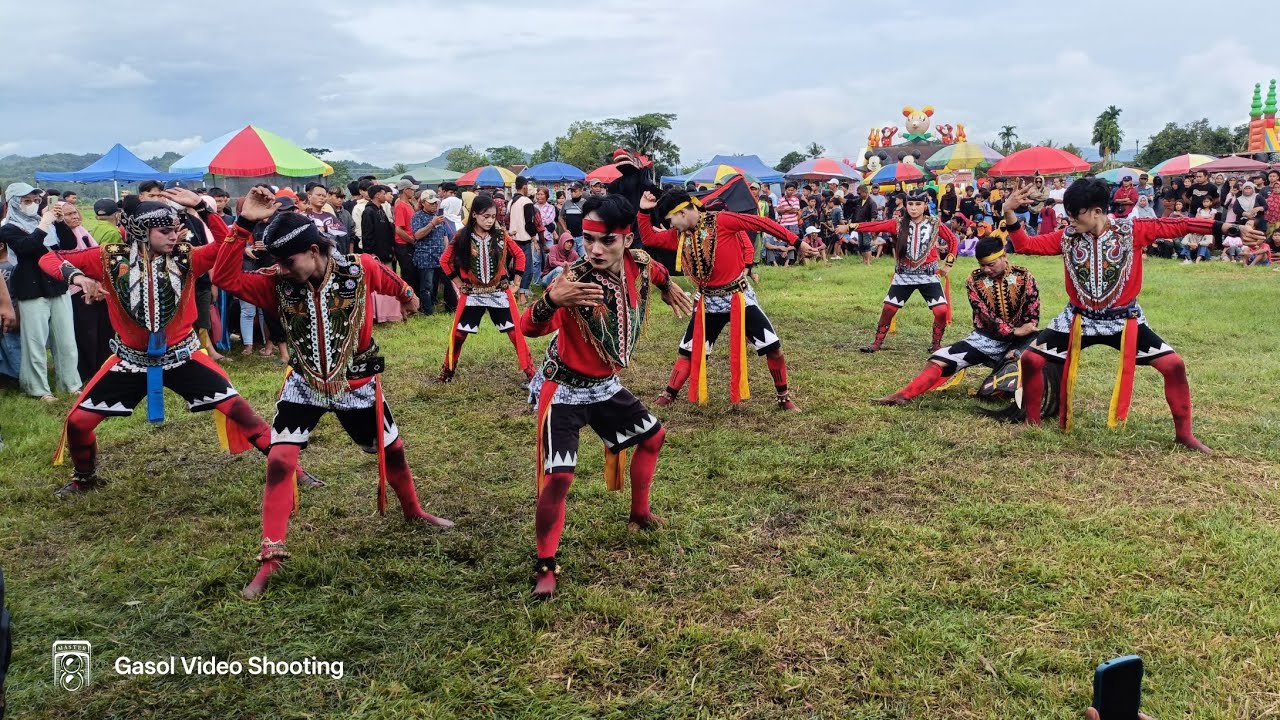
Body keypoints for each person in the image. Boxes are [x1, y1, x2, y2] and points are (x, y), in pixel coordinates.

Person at [212, 187, 450, 599]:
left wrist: (409, 297)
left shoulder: (361, 269)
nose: (281, 269)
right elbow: (223, 278)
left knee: (391, 451)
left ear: (315, 250)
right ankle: (271, 554)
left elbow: (397, 285)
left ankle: (412, 509)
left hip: (357, 385)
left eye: (288, 261)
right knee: (280, 459)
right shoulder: (275, 284)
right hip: (303, 385)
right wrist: (245, 223)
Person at [35, 190, 319, 496]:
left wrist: (226, 215)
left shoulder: (187, 257)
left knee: (241, 413)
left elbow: (225, 248)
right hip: (132, 360)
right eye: (165, 231)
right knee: (78, 423)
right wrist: (79, 278)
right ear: (143, 231)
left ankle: (295, 471)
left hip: (182, 357)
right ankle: (84, 478)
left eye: (175, 229)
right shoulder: (109, 257)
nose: (173, 236)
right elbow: (48, 257)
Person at [1001, 177, 1265, 453]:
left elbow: (1180, 224)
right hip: (1078, 318)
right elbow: (1024, 245)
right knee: (1031, 359)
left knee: (1173, 365)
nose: (1069, 220)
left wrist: (1230, 228)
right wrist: (1009, 210)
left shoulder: (1132, 230)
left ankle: (1185, 435)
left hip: (1123, 320)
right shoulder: (1067, 237)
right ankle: (1032, 422)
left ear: (1097, 212)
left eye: (1075, 214)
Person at [519, 194, 692, 598]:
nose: (595, 249)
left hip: (604, 388)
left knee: (653, 437)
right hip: (563, 389)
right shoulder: (574, 281)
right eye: (588, 238)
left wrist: (668, 289)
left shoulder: (639, 263)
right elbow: (528, 327)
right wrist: (549, 300)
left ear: (627, 240)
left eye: (607, 240)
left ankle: (640, 513)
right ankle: (546, 563)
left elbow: (659, 271)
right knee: (558, 477)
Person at [639, 189, 818, 410]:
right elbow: (648, 238)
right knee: (689, 350)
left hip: (738, 297)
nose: (670, 226)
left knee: (773, 347)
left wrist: (797, 242)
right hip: (708, 302)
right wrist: (643, 212)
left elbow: (761, 223)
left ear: (682, 212)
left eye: (670, 220)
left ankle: (784, 396)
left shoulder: (722, 220)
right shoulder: (680, 236)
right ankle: (669, 393)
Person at [873, 235, 1040, 406]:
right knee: (940, 357)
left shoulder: (1024, 276)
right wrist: (1011, 331)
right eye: (982, 265)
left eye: (991, 264)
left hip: (1021, 340)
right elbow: (983, 314)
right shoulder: (974, 280)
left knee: (1034, 351)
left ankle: (1006, 382)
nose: (987, 269)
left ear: (1004, 257)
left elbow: (1033, 307)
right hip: (986, 339)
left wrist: (1028, 325)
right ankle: (903, 395)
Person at [437, 194, 534, 383]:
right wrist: (458, 283)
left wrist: (516, 283)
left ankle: (531, 373)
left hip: (499, 292)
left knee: (515, 334)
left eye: (493, 216)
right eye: (485, 216)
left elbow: (520, 255)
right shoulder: (462, 236)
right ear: (474, 214)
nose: (490, 220)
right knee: (458, 334)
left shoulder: (500, 235)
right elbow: (444, 261)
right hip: (473, 293)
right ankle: (447, 370)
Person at [850, 188, 959, 353]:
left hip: (928, 275)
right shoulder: (898, 223)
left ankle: (936, 344)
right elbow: (875, 225)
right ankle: (877, 343)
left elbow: (952, 240)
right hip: (904, 275)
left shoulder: (935, 224)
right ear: (906, 205)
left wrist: (948, 264)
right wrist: (851, 227)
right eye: (911, 204)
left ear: (925, 206)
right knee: (889, 309)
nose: (914, 208)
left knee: (941, 310)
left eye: (918, 204)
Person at [0, 183, 81, 402]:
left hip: (56, 283)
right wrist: (44, 224)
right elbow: (27, 248)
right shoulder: (8, 228)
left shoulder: (44, 224)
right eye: (26, 201)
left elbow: (69, 243)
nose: (32, 205)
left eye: (36, 201)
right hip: (30, 287)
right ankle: (38, 388)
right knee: (34, 341)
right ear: (14, 203)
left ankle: (71, 383)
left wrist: (58, 221)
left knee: (66, 338)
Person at [49, 202, 112, 381]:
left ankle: (104, 367)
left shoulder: (83, 232)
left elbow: (96, 257)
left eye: (75, 212)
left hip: (98, 287)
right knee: (86, 332)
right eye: (68, 214)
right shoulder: (57, 237)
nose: (75, 216)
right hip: (76, 291)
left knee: (104, 329)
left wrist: (99, 283)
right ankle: (87, 371)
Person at [410, 190, 452, 315]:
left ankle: (450, 307)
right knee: (427, 286)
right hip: (425, 256)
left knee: (446, 283)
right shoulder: (417, 216)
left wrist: (446, 251)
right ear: (423, 203)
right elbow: (417, 235)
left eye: (436, 203)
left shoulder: (439, 217)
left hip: (440, 256)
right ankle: (428, 311)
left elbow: (444, 235)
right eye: (431, 203)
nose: (434, 205)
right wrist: (432, 224)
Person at [508, 176, 539, 303]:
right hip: (524, 239)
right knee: (527, 268)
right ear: (525, 187)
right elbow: (529, 223)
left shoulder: (511, 202)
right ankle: (522, 295)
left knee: (516, 267)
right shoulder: (526, 201)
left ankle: (515, 291)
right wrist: (534, 239)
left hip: (513, 239)